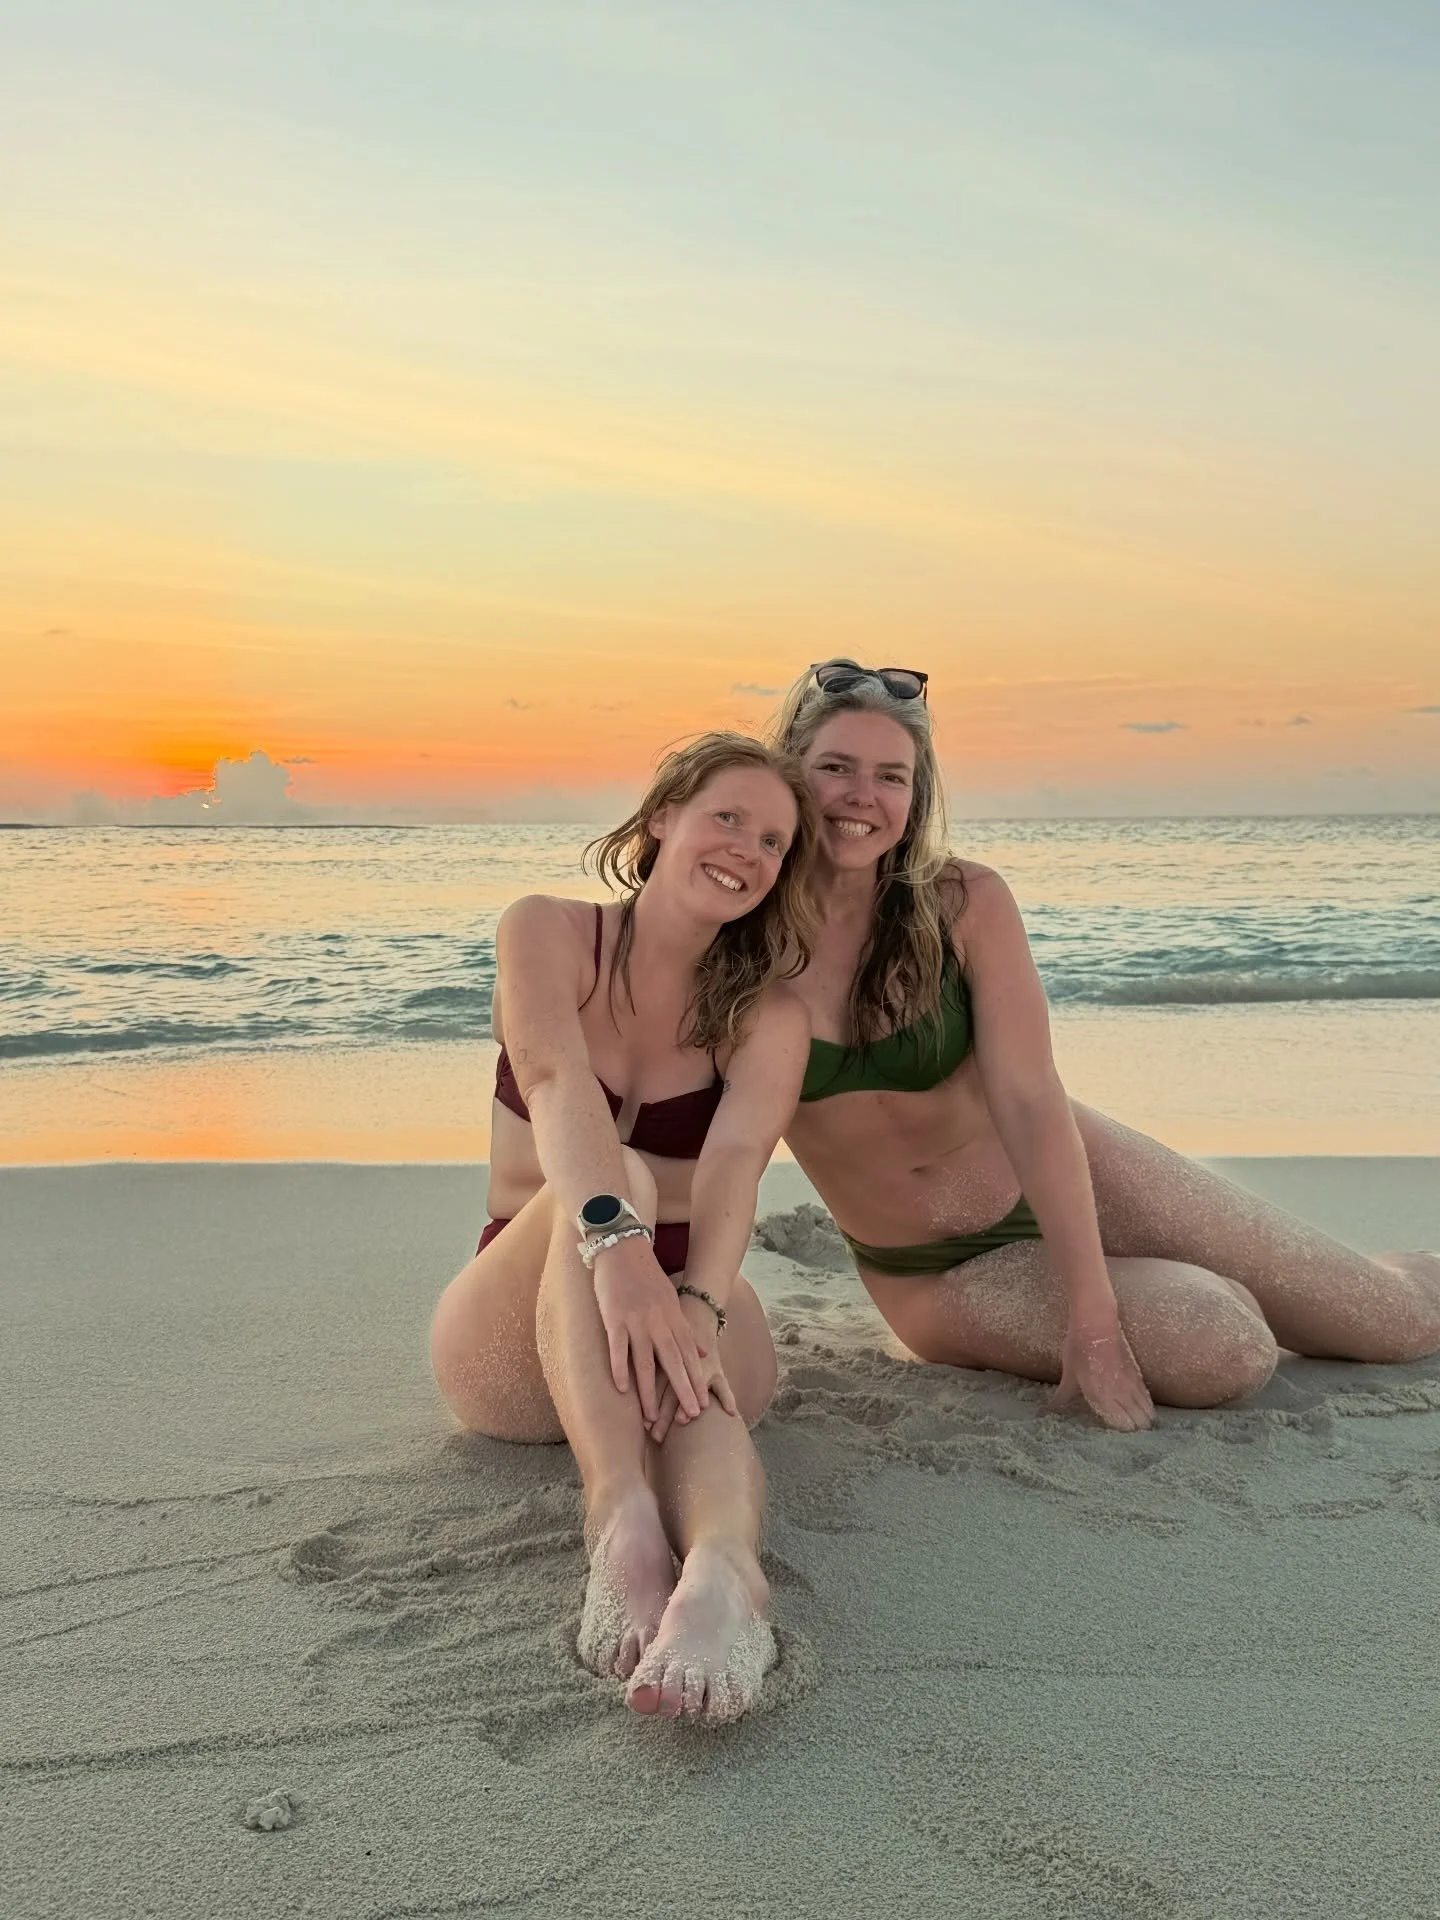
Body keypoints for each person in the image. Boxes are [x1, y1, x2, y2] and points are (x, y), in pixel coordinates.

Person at [769, 659, 1440, 1431]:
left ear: (916, 795)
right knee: (1223, 1345)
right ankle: (1189, 1288)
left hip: (1076, 1165)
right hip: (938, 1274)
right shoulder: (737, 946)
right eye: (835, 768)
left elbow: (1029, 1098)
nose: (863, 796)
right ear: (789, 771)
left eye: (892, 775)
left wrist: (1094, 1321)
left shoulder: (962, 902)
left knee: (1397, 1323)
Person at [431, 732, 818, 1721]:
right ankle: (621, 1519)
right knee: (617, 1178)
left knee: (692, 1354)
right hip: (527, 1336)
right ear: (661, 818)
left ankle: (725, 1574)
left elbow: (736, 1164)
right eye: (727, 817)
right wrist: (618, 1249)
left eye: (773, 841)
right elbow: (558, 1082)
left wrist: (695, 1298)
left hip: (698, 1297)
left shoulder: (769, 1015)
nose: (747, 848)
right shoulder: (547, 933)